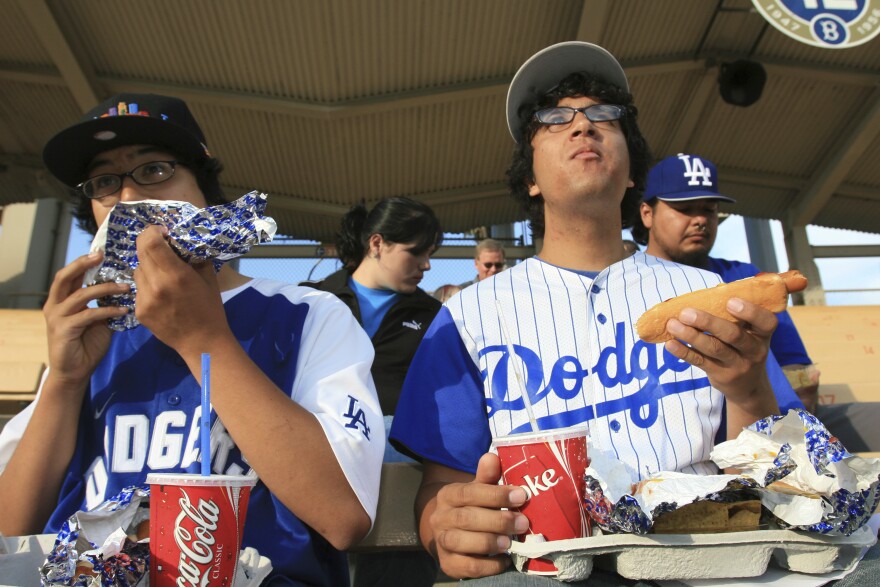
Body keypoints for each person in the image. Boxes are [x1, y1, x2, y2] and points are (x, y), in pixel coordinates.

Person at [388, 41, 876, 585]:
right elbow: (441, 488)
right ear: (529, 178)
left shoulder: (708, 290)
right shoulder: (470, 313)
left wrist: (748, 391)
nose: (582, 126)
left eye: (604, 115)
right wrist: (445, 530)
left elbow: (781, 475)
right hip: (550, 567)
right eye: (555, 119)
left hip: (711, 559)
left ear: (630, 177)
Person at [0, 93, 384, 586]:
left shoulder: (306, 314)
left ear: (204, 187)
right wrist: (65, 381)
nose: (130, 199)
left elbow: (343, 516)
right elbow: (13, 534)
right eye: (104, 182)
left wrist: (204, 340)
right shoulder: (92, 338)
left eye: (154, 170)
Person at [632, 152, 880, 453]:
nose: (700, 220)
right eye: (684, 208)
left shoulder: (747, 278)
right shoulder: (625, 284)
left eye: (709, 209)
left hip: (767, 431)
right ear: (647, 213)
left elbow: (796, 369)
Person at [301, 196, 443, 586]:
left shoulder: (433, 317)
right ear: (377, 244)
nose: (427, 265)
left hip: (397, 473)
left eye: (430, 254)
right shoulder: (310, 302)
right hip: (317, 468)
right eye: (416, 252)